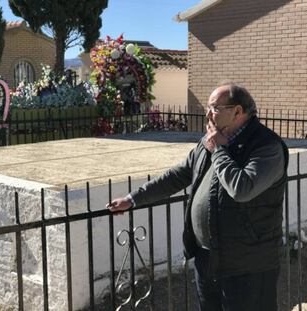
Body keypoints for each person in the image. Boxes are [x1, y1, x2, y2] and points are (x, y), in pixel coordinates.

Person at [107, 81, 289, 311]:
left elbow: (243, 188)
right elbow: (177, 175)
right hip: (208, 259)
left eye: (214, 107)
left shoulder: (266, 146)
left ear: (237, 112)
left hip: (248, 264)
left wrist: (219, 151)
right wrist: (133, 199)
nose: (208, 113)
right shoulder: (210, 141)